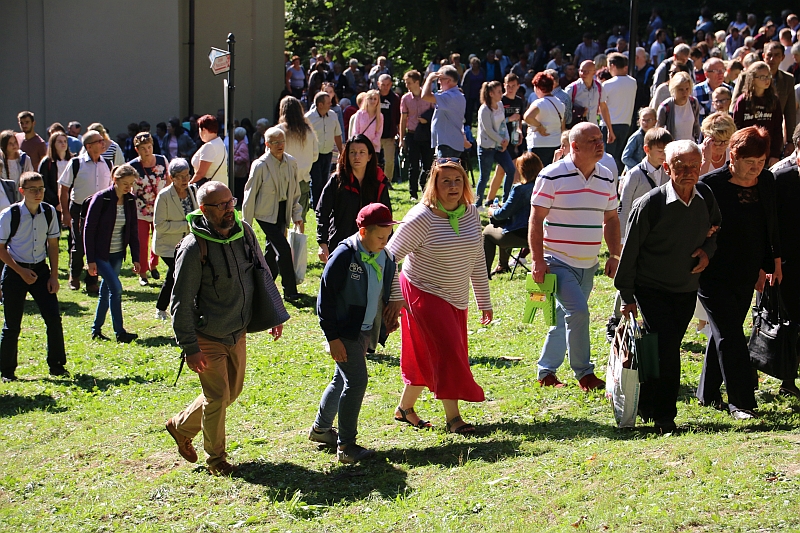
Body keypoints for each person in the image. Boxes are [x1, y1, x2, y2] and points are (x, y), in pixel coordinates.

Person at [166, 181, 287, 476]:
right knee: (218, 397)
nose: (228, 209)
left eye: (230, 202)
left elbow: (262, 269)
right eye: (220, 206)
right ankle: (216, 460)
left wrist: (274, 313)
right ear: (204, 210)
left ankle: (180, 426)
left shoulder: (244, 231)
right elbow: (179, 302)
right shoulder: (194, 247)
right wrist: (190, 348)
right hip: (207, 336)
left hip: (238, 330)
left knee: (230, 393)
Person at [384, 159, 492, 433]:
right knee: (447, 351)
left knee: (427, 352)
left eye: (457, 180)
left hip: (455, 295)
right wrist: (395, 296)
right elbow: (388, 257)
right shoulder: (421, 217)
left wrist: (484, 300)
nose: (453, 186)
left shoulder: (470, 213)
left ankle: (404, 408)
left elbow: (477, 257)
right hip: (422, 291)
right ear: (434, 186)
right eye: (445, 181)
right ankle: (453, 418)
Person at [696, 126, 782, 419]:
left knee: (723, 331)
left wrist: (773, 263)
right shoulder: (711, 184)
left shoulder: (767, 182)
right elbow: (696, 226)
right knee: (731, 334)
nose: (756, 168)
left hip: (747, 271)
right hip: (713, 272)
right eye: (750, 162)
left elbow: (771, 225)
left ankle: (707, 394)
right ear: (733, 156)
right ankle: (741, 403)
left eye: (761, 162)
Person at [528, 122, 620, 391]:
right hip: (557, 260)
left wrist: (614, 254)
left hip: (589, 263)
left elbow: (612, 218)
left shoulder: (606, 176)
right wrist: (537, 260)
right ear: (575, 146)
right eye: (593, 140)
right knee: (578, 312)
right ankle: (585, 374)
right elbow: (536, 220)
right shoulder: (551, 175)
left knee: (563, 316)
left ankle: (546, 371)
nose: (600, 144)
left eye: (600, 138)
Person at [311, 203, 399, 463]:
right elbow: (324, 299)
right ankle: (346, 446)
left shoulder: (384, 254)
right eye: (380, 237)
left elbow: (389, 280)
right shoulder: (344, 255)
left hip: (364, 330)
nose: (385, 242)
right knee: (356, 382)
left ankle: (320, 429)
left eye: (388, 236)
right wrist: (333, 338)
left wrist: (388, 315)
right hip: (344, 331)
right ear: (363, 232)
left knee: (341, 379)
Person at [0, 172, 67, 382]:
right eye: (33, 189)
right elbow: (1, 248)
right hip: (14, 271)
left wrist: (54, 276)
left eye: (41, 189)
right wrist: (20, 271)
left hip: (40, 269)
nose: (38, 193)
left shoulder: (48, 212)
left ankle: (56, 365)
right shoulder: (10, 214)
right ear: (22, 191)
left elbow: (53, 245)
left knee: (53, 319)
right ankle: (7, 371)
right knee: (12, 325)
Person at [242, 127, 304, 302]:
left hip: (283, 210)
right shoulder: (260, 165)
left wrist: (296, 214)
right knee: (284, 250)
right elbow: (250, 194)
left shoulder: (291, 162)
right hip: (265, 213)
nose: (280, 145)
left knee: (271, 252)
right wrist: (247, 224)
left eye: (282, 141)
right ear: (267, 144)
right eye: (275, 142)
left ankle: (262, 287)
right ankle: (290, 291)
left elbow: (295, 192)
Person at [84, 164, 141, 344]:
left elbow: (133, 230)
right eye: (125, 183)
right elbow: (89, 229)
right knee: (116, 289)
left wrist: (136, 258)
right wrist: (90, 259)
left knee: (106, 291)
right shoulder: (102, 198)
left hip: (117, 253)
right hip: (101, 254)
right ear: (115, 180)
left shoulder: (130, 200)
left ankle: (96, 329)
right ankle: (120, 331)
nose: (128, 188)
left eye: (131, 184)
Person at [316, 135, 392, 263]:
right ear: (347, 156)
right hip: (340, 244)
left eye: (362, 152)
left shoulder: (378, 182)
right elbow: (322, 211)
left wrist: (386, 243)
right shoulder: (337, 180)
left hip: (370, 246)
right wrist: (323, 243)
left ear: (369, 156)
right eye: (352, 152)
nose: (357, 156)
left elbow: (386, 216)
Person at [58, 130, 111, 294]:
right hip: (79, 209)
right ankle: (74, 275)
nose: (103, 144)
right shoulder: (76, 163)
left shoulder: (107, 164)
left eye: (103, 140)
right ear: (88, 146)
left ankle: (92, 280)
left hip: (100, 211)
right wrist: (65, 213)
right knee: (79, 244)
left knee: (96, 246)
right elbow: (64, 189)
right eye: (99, 141)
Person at [152, 158, 197, 321]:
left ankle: (178, 308)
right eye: (181, 176)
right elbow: (160, 225)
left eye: (187, 175)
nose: (185, 179)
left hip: (188, 244)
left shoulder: (193, 190)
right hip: (168, 246)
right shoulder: (164, 196)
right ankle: (163, 309)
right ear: (172, 178)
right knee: (176, 274)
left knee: (179, 275)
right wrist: (186, 226)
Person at [772, 134, 800, 398]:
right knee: (791, 322)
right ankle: (788, 379)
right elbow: (772, 225)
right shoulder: (782, 178)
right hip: (790, 263)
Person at [483, 152, 542, 276]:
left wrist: (492, 210)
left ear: (522, 170)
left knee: (488, 232)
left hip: (520, 234)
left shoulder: (519, 189)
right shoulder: (544, 187)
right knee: (504, 225)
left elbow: (502, 214)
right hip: (540, 236)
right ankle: (502, 265)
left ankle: (484, 273)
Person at [129, 131, 170, 286]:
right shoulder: (132, 166)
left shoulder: (161, 160)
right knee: (142, 240)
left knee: (157, 238)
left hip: (159, 207)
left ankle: (154, 265)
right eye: (144, 148)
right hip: (140, 209)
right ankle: (142, 272)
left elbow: (168, 180)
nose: (148, 150)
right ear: (137, 150)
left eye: (149, 146)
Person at [618, 127, 674, 230]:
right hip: (638, 228)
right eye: (660, 151)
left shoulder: (669, 173)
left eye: (667, 151)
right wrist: (622, 238)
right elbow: (624, 206)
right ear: (647, 149)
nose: (664, 155)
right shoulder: (634, 174)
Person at [732, 62, 784, 166]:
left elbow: (778, 129)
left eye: (768, 76)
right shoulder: (743, 100)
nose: (767, 80)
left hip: (768, 154)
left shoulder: (774, 100)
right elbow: (737, 128)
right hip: (747, 153)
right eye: (762, 77)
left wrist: (775, 154)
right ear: (752, 79)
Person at [475, 81, 516, 207]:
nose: (501, 93)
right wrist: (501, 141)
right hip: (487, 147)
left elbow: (503, 124)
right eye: (498, 91)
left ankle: (505, 200)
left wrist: (506, 140)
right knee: (484, 177)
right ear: (491, 94)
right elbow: (488, 130)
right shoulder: (484, 109)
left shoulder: (500, 104)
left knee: (511, 169)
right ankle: (478, 204)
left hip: (500, 146)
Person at [277, 96, 318, 220]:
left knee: (282, 220)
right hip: (303, 180)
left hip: (283, 180)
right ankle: (299, 240)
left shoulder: (279, 131)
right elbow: (315, 156)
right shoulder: (309, 132)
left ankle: (283, 240)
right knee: (300, 220)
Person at [399, 69, 435, 201]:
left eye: (409, 82)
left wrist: (427, 119)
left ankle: (426, 189)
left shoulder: (428, 95)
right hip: (412, 134)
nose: (407, 85)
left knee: (428, 164)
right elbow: (403, 119)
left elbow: (435, 113)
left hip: (426, 133)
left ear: (417, 82)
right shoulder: (405, 98)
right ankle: (413, 193)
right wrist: (402, 138)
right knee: (413, 165)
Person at [599, 53, 638, 171]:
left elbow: (602, 106)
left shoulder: (607, 84)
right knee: (620, 158)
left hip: (609, 125)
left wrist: (609, 130)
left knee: (608, 159)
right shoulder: (633, 82)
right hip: (626, 124)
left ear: (612, 65)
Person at [306, 91, 343, 211]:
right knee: (316, 181)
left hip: (328, 152)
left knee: (325, 180)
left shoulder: (333, 115)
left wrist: (342, 151)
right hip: (313, 155)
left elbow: (337, 134)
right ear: (320, 105)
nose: (330, 104)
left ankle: (323, 203)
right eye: (328, 102)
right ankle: (317, 205)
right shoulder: (308, 118)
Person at [423, 65, 467, 158]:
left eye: (440, 79)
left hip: (447, 145)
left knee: (445, 172)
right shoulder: (457, 95)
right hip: (450, 143)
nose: (438, 82)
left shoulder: (449, 97)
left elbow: (425, 96)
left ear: (448, 80)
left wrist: (429, 78)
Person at [524, 72, 565, 166]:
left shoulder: (539, 103)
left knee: (535, 175)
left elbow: (527, 117)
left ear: (538, 88)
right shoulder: (560, 104)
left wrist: (539, 126)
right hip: (555, 143)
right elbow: (562, 125)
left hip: (538, 144)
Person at [656, 72, 701, 142]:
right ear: (674, 89)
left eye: (687, 89)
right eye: (681, 89)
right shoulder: (665, 107)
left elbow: (696, 125)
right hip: (674, 148)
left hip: (691, 146)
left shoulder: (693, 102)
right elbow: (659, 131)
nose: (685, 93)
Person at [38, 131, 72, 209]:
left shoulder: (73, 160)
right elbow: (43, 184)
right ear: (53, 144)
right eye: (59, 141)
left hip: (71, 202)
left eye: (65, 141)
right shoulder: (47, 162)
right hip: (53, 205)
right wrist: (56, 203)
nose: (63, 144)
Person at [190, 115, 227, 187]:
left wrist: (188, 186)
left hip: (210, 190)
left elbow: (200, 173)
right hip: (220, 187)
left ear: (203, 130)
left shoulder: (209, 146)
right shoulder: (220, 142)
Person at [377, 74, 401, 182]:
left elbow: (398, 118)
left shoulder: (395, 99)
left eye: (388, 85)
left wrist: (399, 134)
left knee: (389, 161)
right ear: (378, 84)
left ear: (391, 85)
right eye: (383, 85)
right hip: (375, 134)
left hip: (389, 134)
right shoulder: (374, 96)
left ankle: (387, 181)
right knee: (373, 160)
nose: (385, 87)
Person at [566, 61, 602, 126]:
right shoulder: (572, 88)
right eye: (581, 71)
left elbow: (603, 107)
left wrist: (610, 129)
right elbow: (564, 110)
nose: (583, 74)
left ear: (594, 72)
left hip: (593, 128)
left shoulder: (599, 87)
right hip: (577, 128)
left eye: (586, 71)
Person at [351, 89, 384, 153]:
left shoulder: (380, 116)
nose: (373, 101)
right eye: (370, 98)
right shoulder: (360, 114)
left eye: (375, 99)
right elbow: (355, 130)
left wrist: (372, 143)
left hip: (373, 148)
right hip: (360, 147)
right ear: (367, 99)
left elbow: (379, 132)